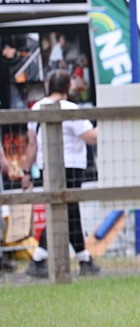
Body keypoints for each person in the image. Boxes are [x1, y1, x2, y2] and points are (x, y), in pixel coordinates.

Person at [21, 69, 100, 277]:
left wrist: (26, 171)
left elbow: (32, 145)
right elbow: (90, 136)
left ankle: (84, 260)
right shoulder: (71, 109)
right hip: (72, 165)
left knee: (64, 210)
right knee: (67, 210)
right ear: (68, 86)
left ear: (49, 85)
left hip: (47, 166)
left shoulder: (36, 108)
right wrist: (108, 125)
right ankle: (39, 259)